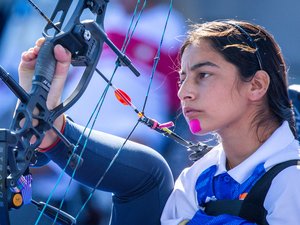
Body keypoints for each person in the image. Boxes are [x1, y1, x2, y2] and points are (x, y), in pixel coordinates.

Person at [18, 19, 300, 225]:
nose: (183, 92)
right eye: (182, 78)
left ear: (256, 85)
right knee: (148, 175)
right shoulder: (198, 176)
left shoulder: (291, 180)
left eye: (203, 75)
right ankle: (52, 129)